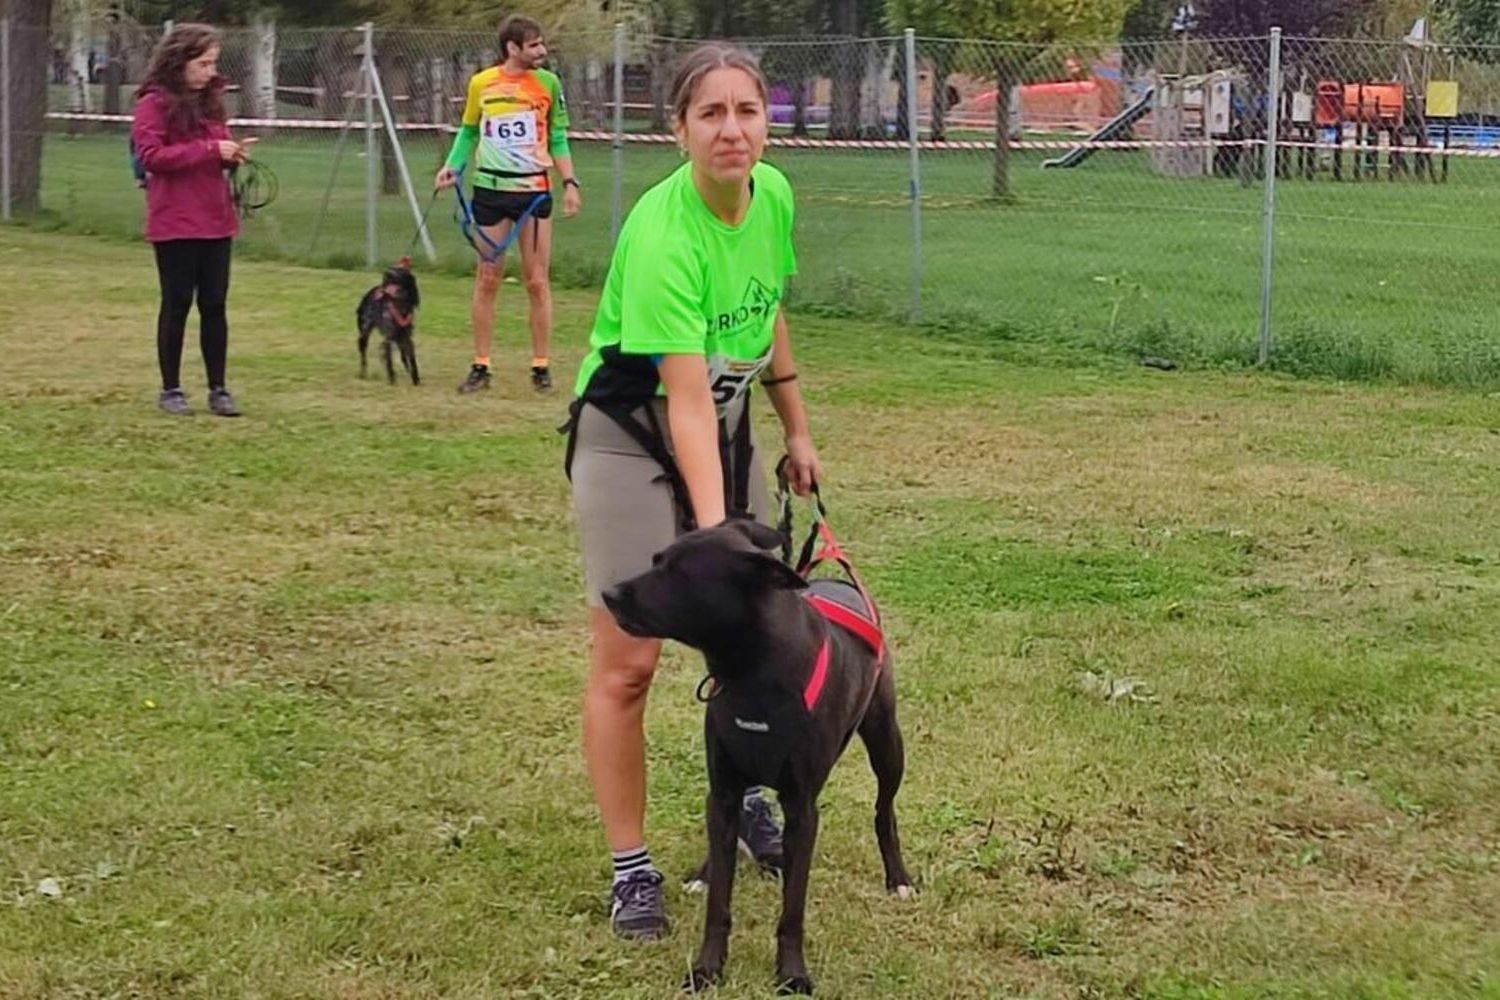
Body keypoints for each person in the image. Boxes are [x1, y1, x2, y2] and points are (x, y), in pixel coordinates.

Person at [564, 43, 823, 941]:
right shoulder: (663, 230)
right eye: (709, 114)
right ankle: (631, 870)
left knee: (758, 642)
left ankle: (745, 797)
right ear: (676, 129)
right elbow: (680, 400)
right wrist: (717, 543)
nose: (732, 131)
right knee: (630, 663)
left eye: (746, 111)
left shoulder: (775, 195)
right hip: (632, 431)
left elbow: (767, 310)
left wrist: (794, 427)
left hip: (727, 421)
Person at [436, 14, 580, 395]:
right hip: (489, 192)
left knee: (536, 280)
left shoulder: (548, 84)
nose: (542, 51)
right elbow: (468, 131)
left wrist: (569, 182)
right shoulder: (482, 83)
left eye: (541, 43)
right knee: (487, 279)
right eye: (533, 45)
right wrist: (452, 167)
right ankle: (481, 366)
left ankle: (541, 367)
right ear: (512, 48)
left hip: (533, 194)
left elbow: (558, 137)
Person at [131, 23, 253, 417]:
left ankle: (218, 389)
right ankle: (171, 389)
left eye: (213, 63)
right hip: (176, 221)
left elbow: (214, 146)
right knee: (178, 302)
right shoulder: (153, 104)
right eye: (202, 63)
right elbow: (151, 156)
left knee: (215, 304)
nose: (208, 71)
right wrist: (208, 149)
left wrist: (230, 154)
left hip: (216, 218)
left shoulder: (211, 101)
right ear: (179, 61)